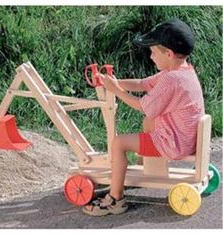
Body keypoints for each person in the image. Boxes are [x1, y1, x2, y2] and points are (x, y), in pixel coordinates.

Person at [82, 18, 205, 216]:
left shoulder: (171, 79)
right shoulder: (182, 71)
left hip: (173, 144)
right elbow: (141, 84)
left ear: (169, 53)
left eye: (154, 52)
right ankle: (144, 166)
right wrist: (114, 83)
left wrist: (116, 91)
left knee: (119, 143)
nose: (150, 56)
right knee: (148, 122)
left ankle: (115, 200)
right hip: (184, 137)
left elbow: (141, 105)